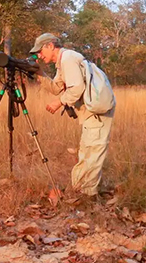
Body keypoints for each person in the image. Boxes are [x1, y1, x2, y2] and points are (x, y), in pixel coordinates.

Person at [30, 33, 115, 198]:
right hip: (90, 111)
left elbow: (76, 88)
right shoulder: (63, 62)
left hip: (96, 111)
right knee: (87, 151)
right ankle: (79, 190)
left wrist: (59, 103)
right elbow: (56, 88)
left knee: (93, 153)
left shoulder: (68, 58)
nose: (39, 55)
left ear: (50, 46)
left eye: (40, 51)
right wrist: (39, 73)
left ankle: (88, 196)